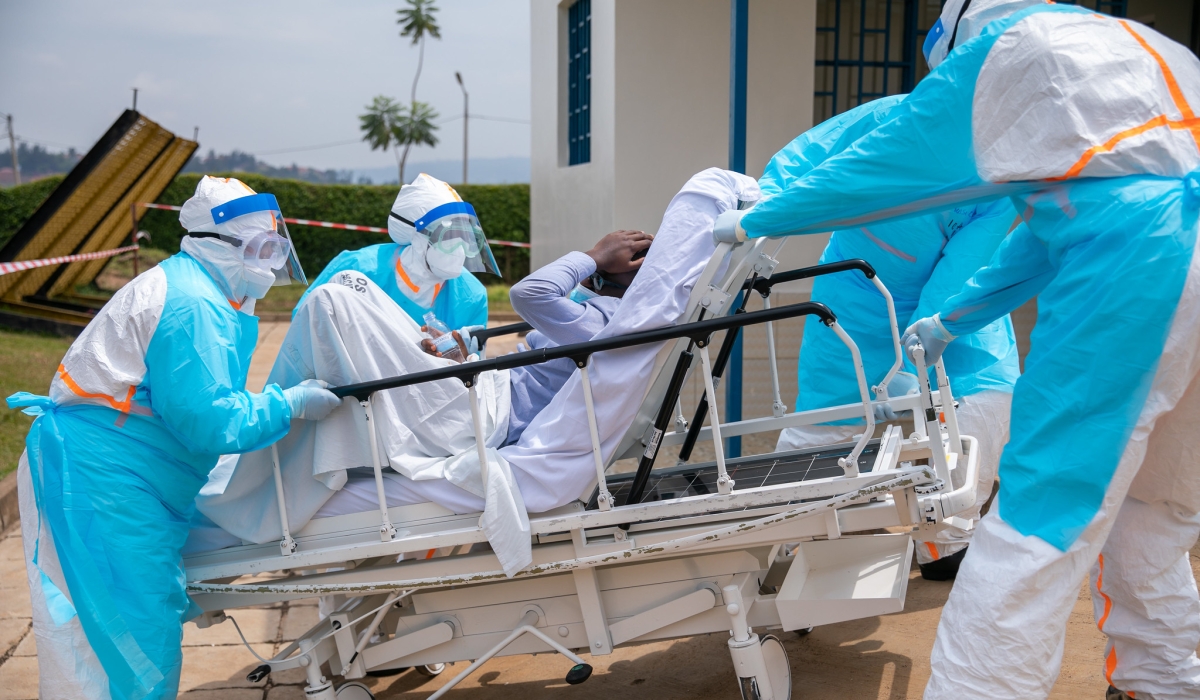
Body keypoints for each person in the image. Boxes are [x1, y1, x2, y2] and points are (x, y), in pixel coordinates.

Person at [716, 0, 1200, 696]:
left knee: (1039, 518)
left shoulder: (1010, 46)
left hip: (1139, 261)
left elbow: (895, 155)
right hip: (1169, 247)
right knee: (1157, 504)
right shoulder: (1133, 48)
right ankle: (1160, 682)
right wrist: (950, 323)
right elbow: (1040, 233)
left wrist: (758, 218)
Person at [194, 168, 758, 577]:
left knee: (333, 305)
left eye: (624, 265)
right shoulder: (604, 319)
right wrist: (459, 349)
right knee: (342, 301)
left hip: (482, 412)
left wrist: (593, 254)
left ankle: (255, 468)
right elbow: (526, 332)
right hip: (479, 391)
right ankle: (270, 444)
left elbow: (531, 293)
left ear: (625, 281)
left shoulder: (606, 324)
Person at [7, 176, 341, 700]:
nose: (269, 264)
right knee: (135, 631)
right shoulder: (192, 304)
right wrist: (290, 403)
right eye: (258, 249)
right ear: (215, 244)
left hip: (122, 470)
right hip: (104, 475)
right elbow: (209, 421)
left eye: (275, 248)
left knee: (117, 625)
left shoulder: (206, 290)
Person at [764, 95, 1020, 580]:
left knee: (984, 406)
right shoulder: (896, 116)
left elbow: (957, 277)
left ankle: (944, 538)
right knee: (823, 420)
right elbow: (814, 151)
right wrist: (760, 201)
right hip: (855, 292)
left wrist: (922, 349)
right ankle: (778, 533)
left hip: (954, 304)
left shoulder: (1000, 170)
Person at [298, 173, 498, 330]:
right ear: (417, 238)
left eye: (467, 239)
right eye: (448, 237)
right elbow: (306, 320)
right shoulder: (357, 269)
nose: (459, 251)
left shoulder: (471, 296)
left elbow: (470, 367)